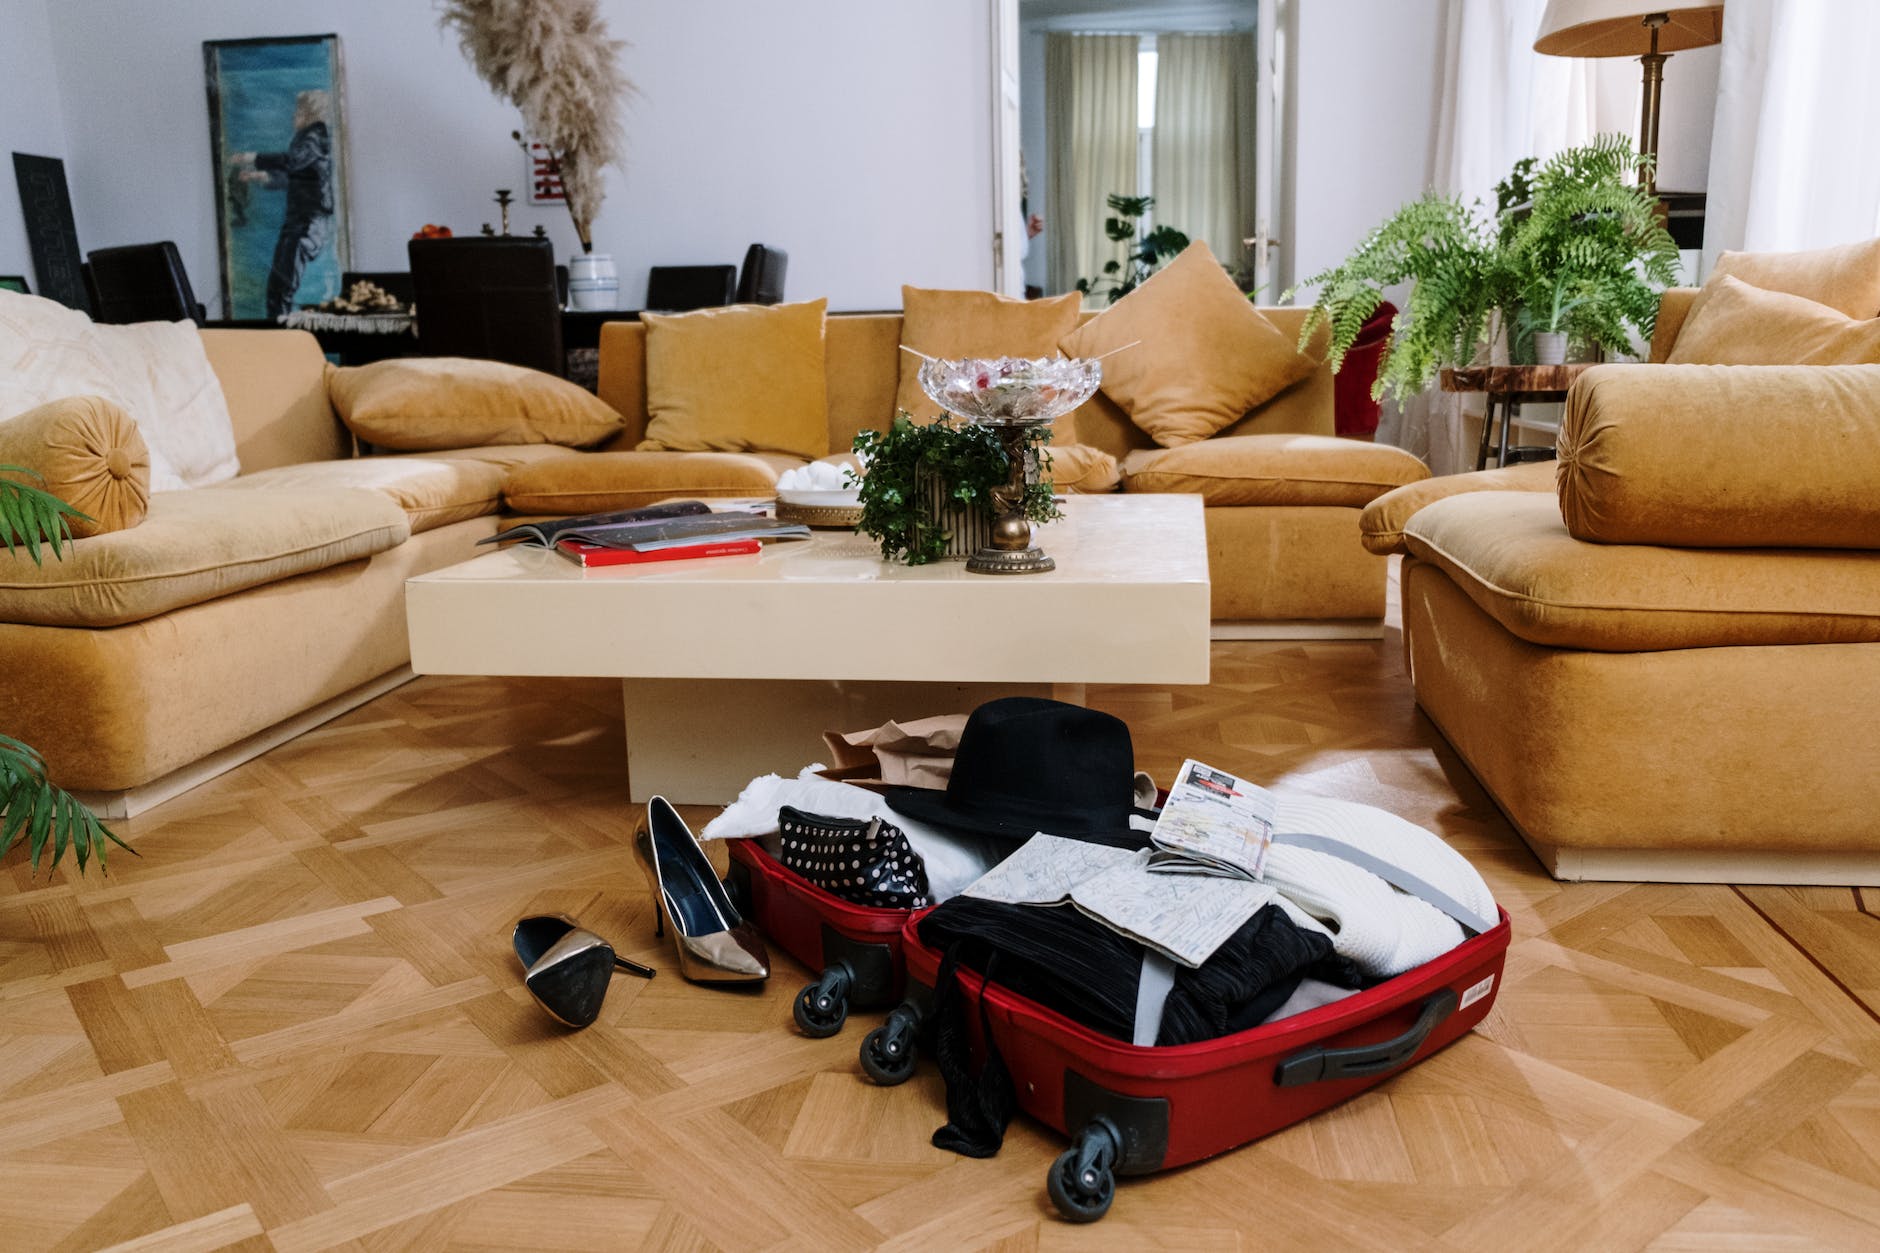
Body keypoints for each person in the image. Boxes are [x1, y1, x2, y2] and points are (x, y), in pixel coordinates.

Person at [230, 89, 335, 319]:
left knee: (281, 290)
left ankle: (282, 341)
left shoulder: (314, 137)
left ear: (309, 113)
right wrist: (262, 177)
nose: (293, 115)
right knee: (279, 289)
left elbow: (291, 162)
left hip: (307, 223)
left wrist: (252, 157)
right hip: (302, 221)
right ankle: (281, 338)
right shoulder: (311, 139)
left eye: (298, 110)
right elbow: (297, 175)